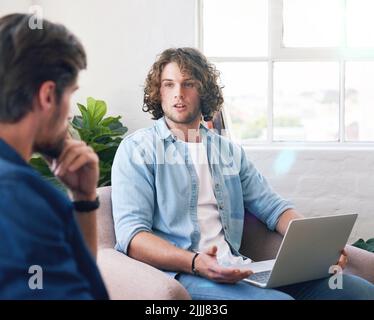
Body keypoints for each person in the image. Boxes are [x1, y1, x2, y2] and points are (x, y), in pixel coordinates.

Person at [111, 47, 374, 300]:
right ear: (159, 92)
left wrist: (318, 246)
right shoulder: (137, 150)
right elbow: (132, 237)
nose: (178, 93)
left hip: (234, 266)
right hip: (183, 273)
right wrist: (196, 262)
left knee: (357, 291)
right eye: (169, 84)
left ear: (203, 91)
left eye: (188, 83)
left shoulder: (227, 151)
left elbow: (273, 208)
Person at [0, 13, 108, 299]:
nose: (69, 112)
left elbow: (73, 278)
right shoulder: (19, 197)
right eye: (70, 94)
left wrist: (84, 200)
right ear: (48, 96)